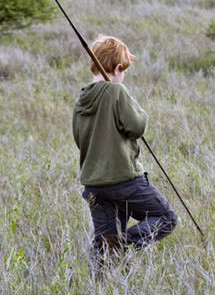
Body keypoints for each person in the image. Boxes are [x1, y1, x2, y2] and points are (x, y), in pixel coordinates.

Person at [72, 36, 177, 269]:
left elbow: (79, 139)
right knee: (166, 219)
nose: (124, 75)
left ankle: (104, 275)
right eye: (124, 71)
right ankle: (119, 245)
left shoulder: (82, 97)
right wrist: (138, 109)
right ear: (118, 68)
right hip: (125, 181)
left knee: (104, 249)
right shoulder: (116, 91)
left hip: (94, 184)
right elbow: (136, 127)